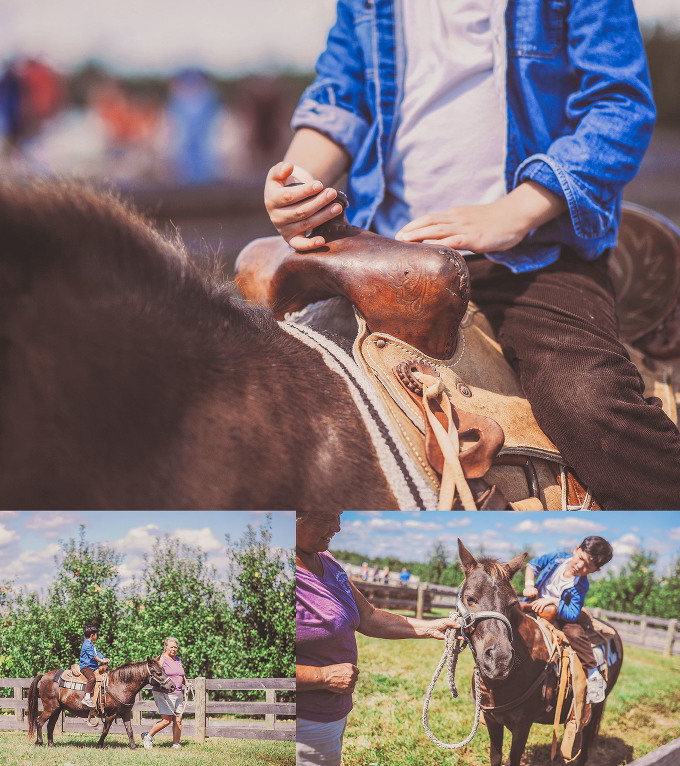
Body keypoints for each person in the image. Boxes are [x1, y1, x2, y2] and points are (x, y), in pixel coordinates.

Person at [263, 0, 680, 510]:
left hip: (533, 251)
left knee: (587, 404)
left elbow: (619, 107)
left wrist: (515, 212)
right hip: (384, 250)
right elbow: (340, 99)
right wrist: (297, 182)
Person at [296, 510, 461, 766]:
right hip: (301, 722)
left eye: (338, 516)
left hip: (332, 713)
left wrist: (429, 627)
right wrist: (323, 677)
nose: (337, 527)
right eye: (325, 518)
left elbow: (369, 617)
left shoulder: (326, 560)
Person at [522, 536, 614, 703]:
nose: (580, 566)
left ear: (595, 571)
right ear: (576, 549)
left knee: (575, 632)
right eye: (580, 558)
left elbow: (572, 613)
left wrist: (555, 602)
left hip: (559, 615)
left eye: (588, 566)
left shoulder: (581, 585)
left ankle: (593, 674)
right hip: (534, 604)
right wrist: (529, 584)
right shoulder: (557, 557)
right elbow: (533, 564)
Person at [142, 637, 187, 749]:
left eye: (175, 647)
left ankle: (176, 744)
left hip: (178, 692)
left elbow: (181, 674)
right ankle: (148, 736)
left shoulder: (177, 659)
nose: (174, 649)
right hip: (164, 693)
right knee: (166, 720)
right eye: (171, 647)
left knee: (178, 719)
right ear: (165, 647)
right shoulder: (162, 659)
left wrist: (187, 682)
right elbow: (157, 673)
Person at [79, 625, 110, 708]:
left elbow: (97, 653)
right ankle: (87, 697)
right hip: (86, 667)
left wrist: (104, 657)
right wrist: (102, 660)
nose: (97, 636)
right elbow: (93, 656)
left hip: (92, 667)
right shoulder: (86, 645)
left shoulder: (91, 644)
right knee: (92, 678)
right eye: (96, 634)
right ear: (92, 635)